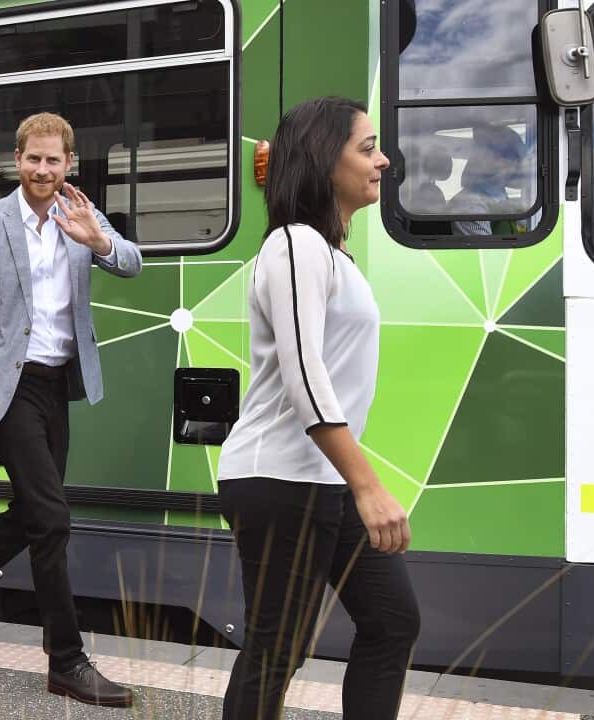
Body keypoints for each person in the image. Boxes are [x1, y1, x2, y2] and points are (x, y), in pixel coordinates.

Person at [0, 112, 142, 707]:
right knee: (52, 518)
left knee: (30, 517)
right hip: (5, 388)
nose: (43, 169)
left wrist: (98, 240)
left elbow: (132, 263)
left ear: (70, 165)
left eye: (53, 160)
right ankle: (65, 659)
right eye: (33, 159)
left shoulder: (81, 214)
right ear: (18, 160)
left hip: (57, 382)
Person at [215, 97, 420, 720]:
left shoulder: (329, 254)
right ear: (322, 159)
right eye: (367, 147)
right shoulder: (295, 245)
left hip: (319, 478)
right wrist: (369, 485)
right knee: (279, 649)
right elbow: (307, 375)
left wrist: (350, 482)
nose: (383, 160)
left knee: (392, 621)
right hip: (280, 476)